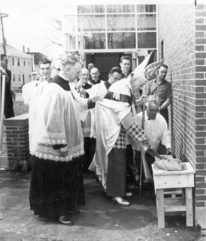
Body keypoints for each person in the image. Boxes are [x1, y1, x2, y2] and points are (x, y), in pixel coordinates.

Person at [89, 56, 162, 206]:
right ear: (134, 79)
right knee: (117, 163)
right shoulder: (124, 89)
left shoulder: (124, 86)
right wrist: (142, 137)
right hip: (114, 131)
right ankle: (116, 194)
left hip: (115, 128)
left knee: (120, 162)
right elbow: (126, 119)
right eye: (139, 84)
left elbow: (124, 109)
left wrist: (138, 103)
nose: (138, 86)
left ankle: (119, 190)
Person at [29, 53, 85, 226]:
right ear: (67, 69)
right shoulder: (54, 88)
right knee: (56, 179)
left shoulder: (67, 85)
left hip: (69, 141)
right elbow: (52, 117)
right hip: (55, 144)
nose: (78, 75)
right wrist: (60, 143)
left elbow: (75, 106)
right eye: (76, 71)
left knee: (67, 175)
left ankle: (67, 207)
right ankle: (57, 212)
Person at [130, 95, 173, 181]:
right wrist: (145, 149)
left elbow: (165, 133)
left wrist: (168, 146)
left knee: (157, 175)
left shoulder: (161, 119)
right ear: (146, 107)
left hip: (155, 150)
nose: (154, 113)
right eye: (152, 110)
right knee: (143, 177)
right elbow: (132, 138)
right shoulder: (138, 118)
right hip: (141, 151)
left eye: (156, 110)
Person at [23, 59, 52, 154]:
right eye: (43, 68)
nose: (45, 71)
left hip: (50, 119)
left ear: (51, 69)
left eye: (47, 68)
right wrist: (38, 86)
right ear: (39, 70)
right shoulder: (33, 85)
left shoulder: (54, 83)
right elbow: (28, 102)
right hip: (37, 119)